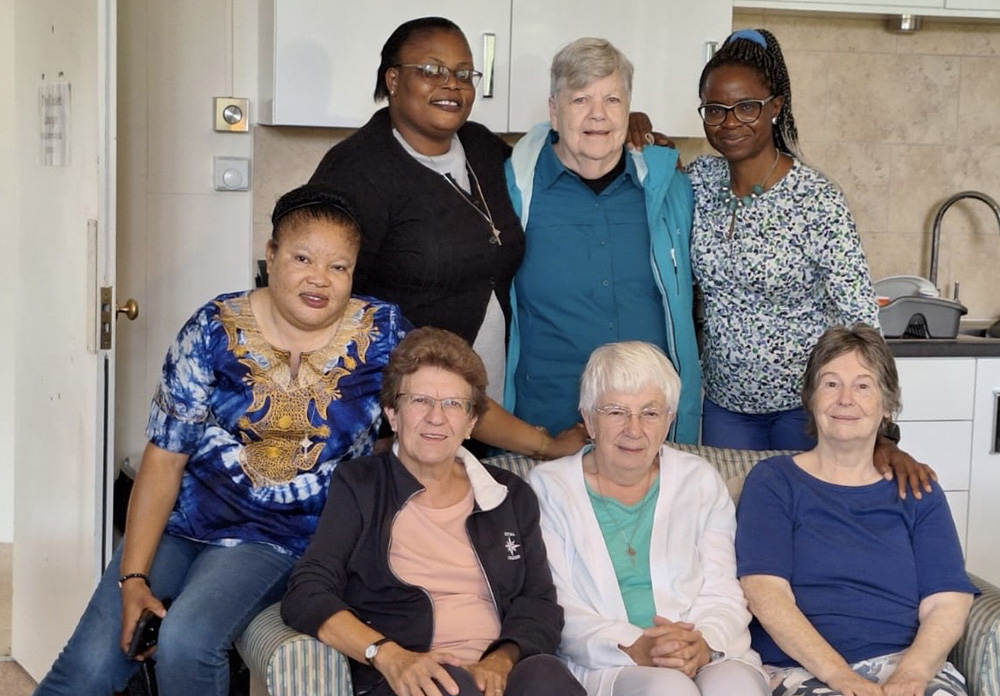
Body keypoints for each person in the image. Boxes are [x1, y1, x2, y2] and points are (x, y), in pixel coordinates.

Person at [32, 185, 409, 696]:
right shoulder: (214, 328)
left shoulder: (381, 333)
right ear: (271, 256)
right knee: (87, 669)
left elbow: (452, 389)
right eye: (302, 257)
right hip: (183, 522)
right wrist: (134, 580)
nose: (319, 278)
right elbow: (164, 459)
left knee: (188, 640)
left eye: (339, 267)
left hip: (281, 536)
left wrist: (542, 444)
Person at [281, 326, 584, 696]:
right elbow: (306, 593)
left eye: (453, 404)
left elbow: (539, 604)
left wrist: (501, 660)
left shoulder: (509, 494)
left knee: (546, 677)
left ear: (471, 422)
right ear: (393, 413)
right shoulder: (360, 485)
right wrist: (387, 655)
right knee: (448, 684)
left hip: (495, 677)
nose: (436, 418)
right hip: (406, 679)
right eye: (420, 400)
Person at [736, 324, 977, 696]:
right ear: (811, 397)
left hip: (904, 663)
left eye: (863, 386)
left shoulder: (917, 490)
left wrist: (911, 674)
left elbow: (947, 601)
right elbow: (766, 593)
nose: (845, 399)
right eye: (831, 384)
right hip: (802, 668)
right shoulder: (773, 482)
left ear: (887, 405)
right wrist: (841, 677)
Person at [528, 341, 769, 696]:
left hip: (706, 649)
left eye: (650, 413)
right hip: (608, 661)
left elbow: (724, 590)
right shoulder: (549, 488)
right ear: (588, 420)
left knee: (736, 689)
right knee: (668, 691)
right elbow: (558, 603)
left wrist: (700, 643)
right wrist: (633, 645)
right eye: (615, 412)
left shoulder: (698, 479)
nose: (634, 428)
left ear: (669, 420)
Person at [688, 28, 880, 450]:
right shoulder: (700, 181)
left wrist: (882, 429)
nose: (730, 122)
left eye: (747, 107)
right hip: (724, 406)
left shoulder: (816, 199)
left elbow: (861, 318)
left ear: (775, 107)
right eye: (715, 110)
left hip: (806, 408)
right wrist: (636, 125)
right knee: (733, 516)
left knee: (804, 516)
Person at [505, 38, 701, 443]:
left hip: (649, 427)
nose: (598, 115)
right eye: (580, 100)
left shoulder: (671, 189)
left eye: (612, 99)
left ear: (628, 109)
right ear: (554, 111)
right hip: (544, 427)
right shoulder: (512, 188)